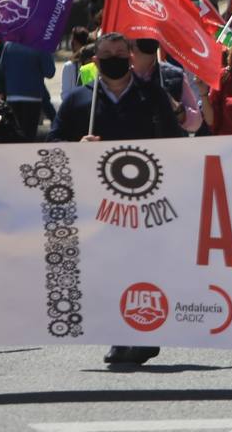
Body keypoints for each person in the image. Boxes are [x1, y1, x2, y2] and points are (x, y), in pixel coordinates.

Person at [48, 32, 184, 367]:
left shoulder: (152, 96)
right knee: (107, 269)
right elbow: (53, 144)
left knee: (140, 268)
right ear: (95, 61)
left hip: (144, 199)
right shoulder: (79, 101)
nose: (114, 58)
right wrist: (78, 147)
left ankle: (140, 334)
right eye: (107, 54)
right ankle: (119, 333)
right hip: (98, 202)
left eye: (121, 53)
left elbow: (175, 140)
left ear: (131, 57)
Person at [131, 38, 202, 133]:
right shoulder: (120, 77)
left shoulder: (175, 75)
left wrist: (176, 108)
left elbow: (195, 124)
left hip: (166, 144)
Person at [0, 41, 56, 141]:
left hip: (12, 97)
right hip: (33, 97)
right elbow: (50, 72)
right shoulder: (40, 44)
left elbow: (1, 70)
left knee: (14, 136)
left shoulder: (8, 45)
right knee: (29, 137)